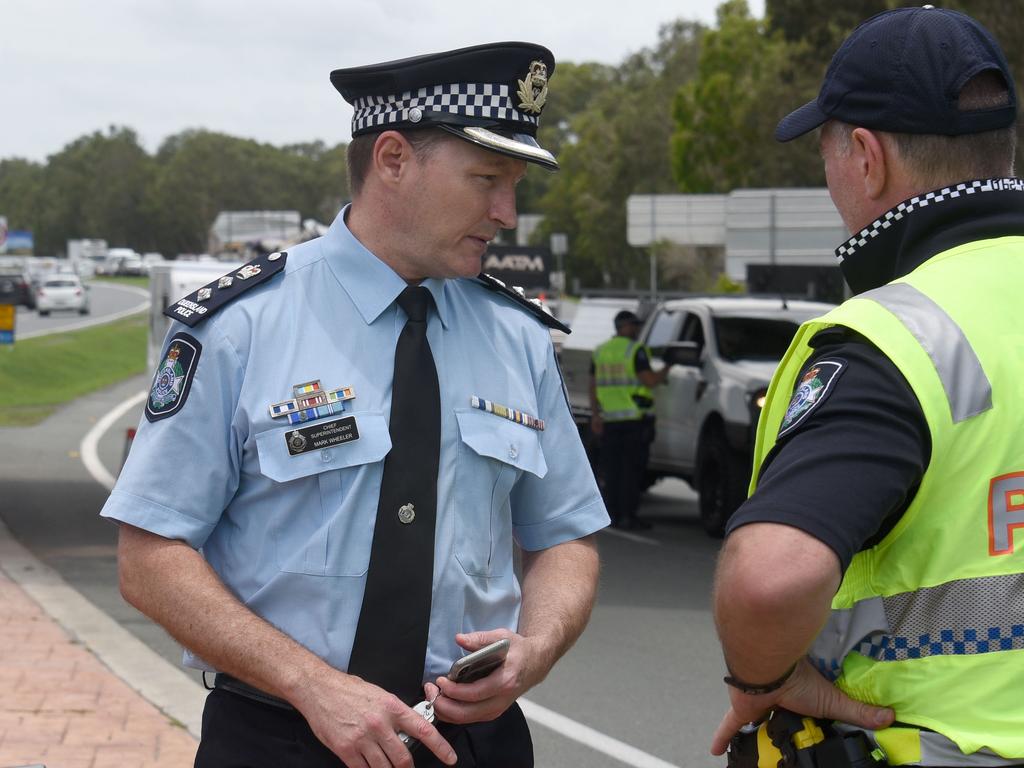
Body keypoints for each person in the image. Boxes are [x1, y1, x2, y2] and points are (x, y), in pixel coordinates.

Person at [101, 42, 608, 768]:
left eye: (515, 185)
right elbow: (149, 556)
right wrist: (312, 684)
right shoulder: (242, 325)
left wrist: (538, 647)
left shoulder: (518, 336)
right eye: (487, 179)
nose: (507, 213)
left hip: (476, 743)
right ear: (393, 159)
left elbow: (565, 536)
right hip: (285, 739)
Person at [710, 7, 1024, 767]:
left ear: (865, 156)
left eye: (823, 156)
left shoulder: (897, 337)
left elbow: (767, 582)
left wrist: (764, 679)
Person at [589, 310, 670, 530]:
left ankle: (612, 516)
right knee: (632, 471)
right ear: (623, 326)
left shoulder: (600, 351)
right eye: (633, 325)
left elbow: (593, 385)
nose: (636, 329)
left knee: (612, 470)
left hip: (610, 420)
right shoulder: (635, 350)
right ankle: (628, 516)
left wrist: (596, 415)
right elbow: (650, 380)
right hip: (635, 420)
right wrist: (668, 367)